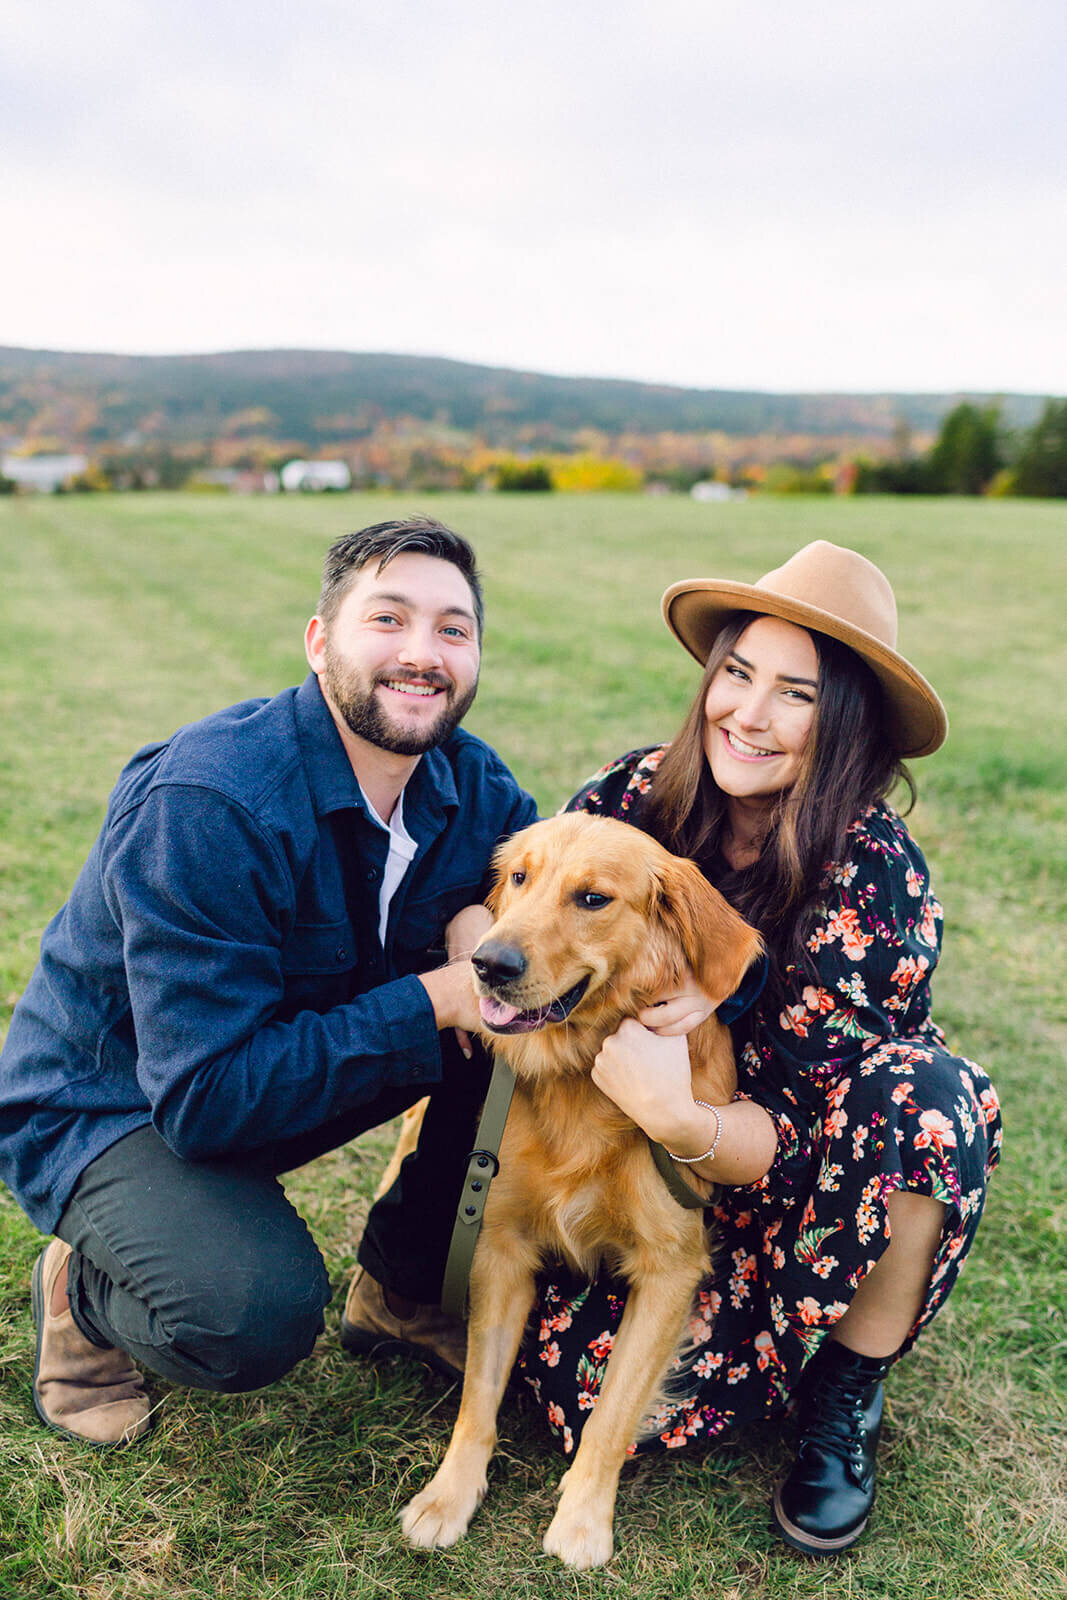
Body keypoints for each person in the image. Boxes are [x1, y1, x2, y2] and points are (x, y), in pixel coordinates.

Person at [0, 516, 537, 1449]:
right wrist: (442, 995)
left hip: (277, 1070)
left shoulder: (465, 778)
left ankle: (405, 1292)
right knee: (249, 1314)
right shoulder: (213, 801)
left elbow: (531, 881)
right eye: (388, 619)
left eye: (453, 629)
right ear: (319, 642)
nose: (423, 654)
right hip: (120, 1103)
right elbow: (206, 1102)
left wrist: (485, 922)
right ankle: (81, 1296)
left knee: (520, 1017)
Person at [519, 541, 1002, 1556]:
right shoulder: (630, 800)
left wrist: (677, 1113)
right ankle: (736, 1345)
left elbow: (799, 1138)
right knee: (573, 1396)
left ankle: (841, 1386)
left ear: (846, 724)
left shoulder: (872, 878)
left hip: (809, 1194)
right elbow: (519, 926)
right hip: (638, 1192)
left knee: (926, 1096)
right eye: (735, 673)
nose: (745, 713)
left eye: (794, 693)